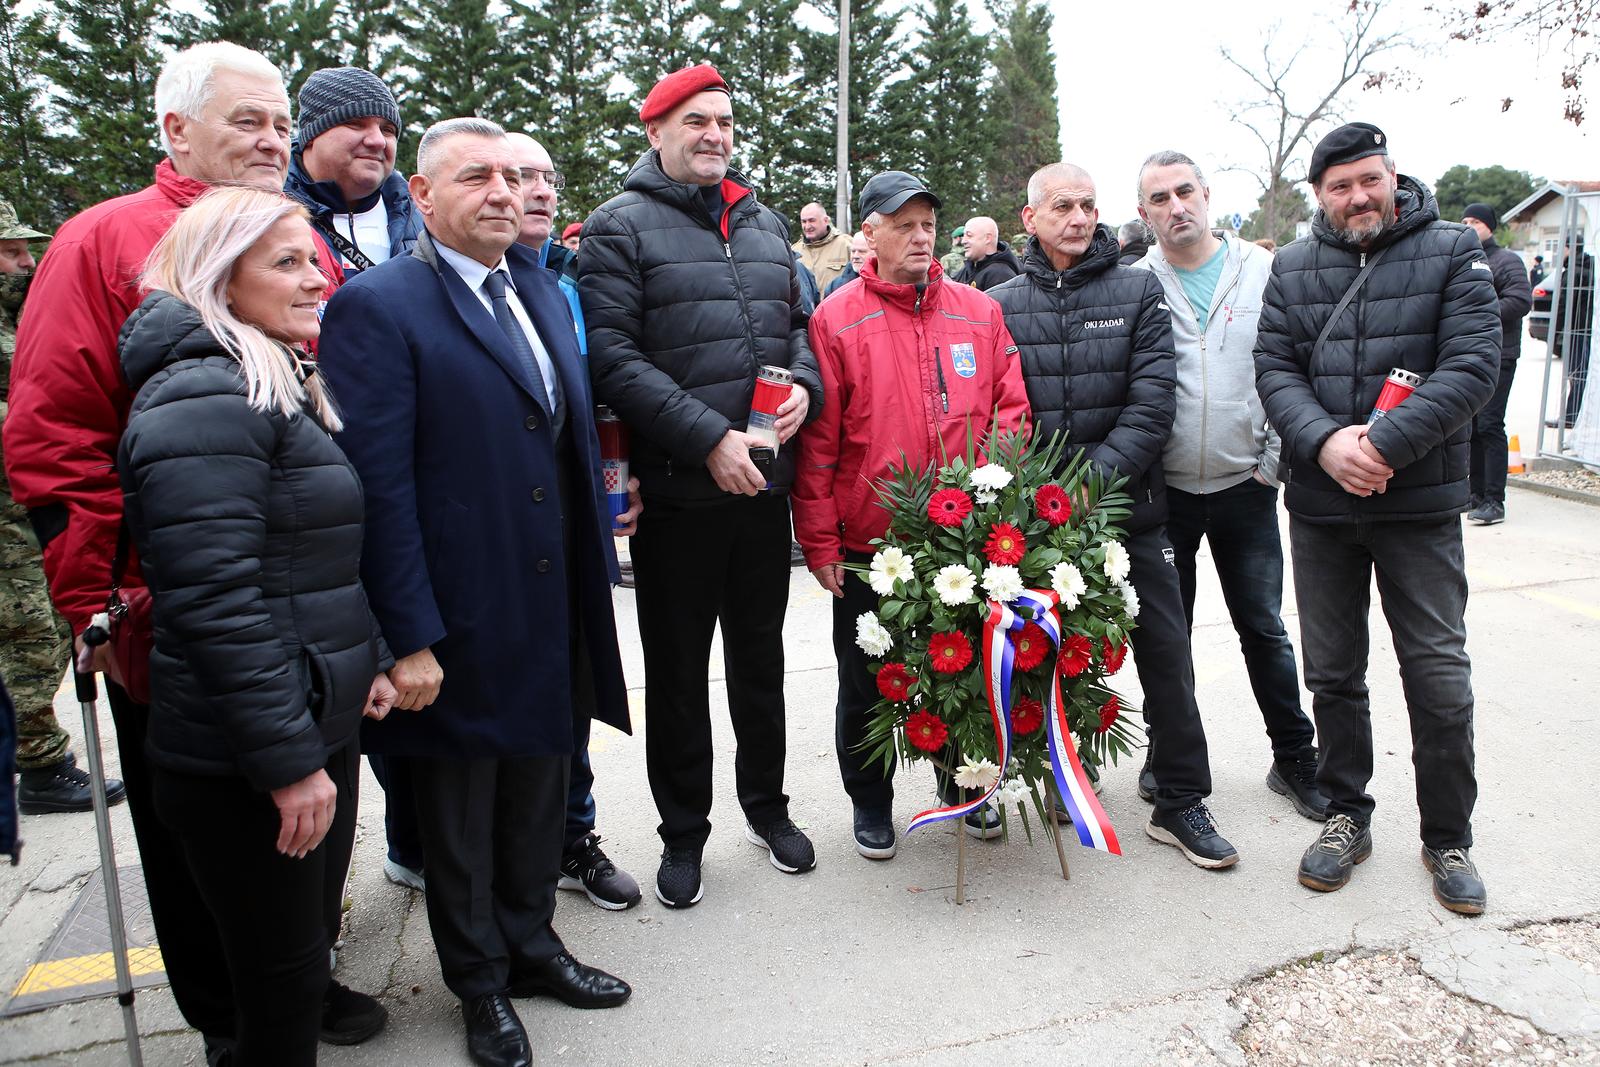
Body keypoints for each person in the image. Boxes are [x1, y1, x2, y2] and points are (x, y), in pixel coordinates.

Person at [2, 42, 355, 1063]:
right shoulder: (104, 240)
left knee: (299, 842)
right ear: (175, 131)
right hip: (176, 609)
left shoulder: (293, 234)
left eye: (281, 121)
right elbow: (55, 435)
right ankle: (224, 1017)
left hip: (296, 601)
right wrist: (102, 604)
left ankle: (297, 978)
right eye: (247, 120)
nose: (272, 139)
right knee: (201, 831)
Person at [319, 117, 634, 1067]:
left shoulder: (540, 286)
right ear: (421, 194)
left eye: (513, 175)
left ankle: (533, 945)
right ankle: (481, 983)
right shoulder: (380, 306)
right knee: (459, 814)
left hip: (548, 600)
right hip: (456, 614)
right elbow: (377, 484)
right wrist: (407, 635)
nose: (503, 192)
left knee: (541, 788)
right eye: (475, 177)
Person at [117, 187, 394, 1065]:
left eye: (314, 257)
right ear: (215, 277)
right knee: (276, 1003)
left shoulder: (267, 372)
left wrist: (372, 659)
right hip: (249, 762)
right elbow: (214, 599)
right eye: (287, 262)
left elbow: (312, 559)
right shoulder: (207, 395)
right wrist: (286, 763)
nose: (318, 278)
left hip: (304, 725)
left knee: (294, 976)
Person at [579, 63, 823, 908]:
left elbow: (798, 325)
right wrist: (707, 437)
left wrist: (803, 387)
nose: (715, 134)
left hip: (762, 493)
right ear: (657, 132)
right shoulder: (618, 227)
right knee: (678, 676)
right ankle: (683, 834)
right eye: (696, 121)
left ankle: (769, 808)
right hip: (681, 497)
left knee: (761, 665)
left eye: (724, 120)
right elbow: (612, 357)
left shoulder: (763, 221)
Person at [1254, 122, 1498, 915]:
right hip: (1323, 506)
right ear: (1319, 194)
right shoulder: (1291, 268)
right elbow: (1275, 366)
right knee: (1331, 673)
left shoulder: (1453, 251)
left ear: (1391, 175)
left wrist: (1382, 445)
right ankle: (1344, 815)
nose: (1358, 197)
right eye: (1339, 186)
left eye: (1369, 180)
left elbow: (1471, 365)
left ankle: (1447, 834)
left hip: (1419, 502)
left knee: (1438, 675)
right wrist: (1326, 444)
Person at [990, 162, 1238, 871]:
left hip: (1131, 511)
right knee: (1041, 653)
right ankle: (1059, 776)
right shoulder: (998, 300)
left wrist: (1086, 488)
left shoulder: (1138, 291)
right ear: (1030, 217)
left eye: (1089, 205)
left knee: (1167, 654)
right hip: (1037, 523)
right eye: (1063, 205)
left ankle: (1181, 795)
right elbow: (1001, 413)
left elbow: (1153, 402)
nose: (1079, 217)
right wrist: (1041, 501)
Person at [796, 171, 1029, 860]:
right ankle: (870, 803)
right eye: (903, 224)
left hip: (961, 541)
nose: (920, 235)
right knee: (867, 681)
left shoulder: (977, 311)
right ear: (869, 233)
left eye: (928, 222)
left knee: (956, 673)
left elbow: (1009, 409)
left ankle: (961, 783)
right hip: (873, 542)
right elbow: (820, 442)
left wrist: (990, 494)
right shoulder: (835, 318)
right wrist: (818, 539)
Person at [1130, 151, 1326, 821]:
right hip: (1167, 494)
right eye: (1159, 197)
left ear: (1207, 195)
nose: (1175, 205)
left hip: (1247, 485)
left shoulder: (1262, 270)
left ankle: (1295, 757)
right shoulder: (1138, 283)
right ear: (1144, 212)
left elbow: (1290, 362)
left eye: (1185, 191)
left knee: (1264, 628)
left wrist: (1273, 458)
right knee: (1164, 635)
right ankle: (1167, 752)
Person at [508, 130, 642, 911]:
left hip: (573, 527)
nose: (536, 190)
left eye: (546, 177)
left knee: (576, 683)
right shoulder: (453, 287)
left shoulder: (563, 284)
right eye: (517, 176)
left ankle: (573, 836)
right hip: (506, 536)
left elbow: (595, 402)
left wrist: (613, 485)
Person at [2, 199, 128, 816]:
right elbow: (46, 421)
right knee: (27, 634)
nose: (25, 261)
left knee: (41, 631)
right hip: (26, 517)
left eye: (26, 249)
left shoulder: (21, 314)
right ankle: (40, 763)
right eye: (9, 251)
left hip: (35, 517)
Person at [283, 66, 420, 275]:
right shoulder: (265, 213)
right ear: (310, 136)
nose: (378, 141)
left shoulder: (424, 219)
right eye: (355, 124)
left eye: (388, 130)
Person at [1460, 202, 1532, 526]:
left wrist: (1480, 312)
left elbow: (1520, 300)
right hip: (1467, 354)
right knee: (1471, 426)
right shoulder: (1464, 257)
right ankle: (1474, 494)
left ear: (1489, 225)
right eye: (1464, 220)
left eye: (1475, 221)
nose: (1469, 225)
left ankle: (1494, 499)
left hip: (1500, 354)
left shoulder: (1507, 260)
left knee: (1490, 424)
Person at [1549, 241, 1594, 429]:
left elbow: (1563, 306)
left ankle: (1570, 417)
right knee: (1582, 375)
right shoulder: (1590, 269)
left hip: (1575, 330)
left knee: (1576, 374)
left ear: (1569, 249)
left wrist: (1556, 333)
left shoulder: (1573, 272)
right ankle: (1577, 415)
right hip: (1589, 329)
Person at [793, 201, 851, 291]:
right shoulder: (795, 251)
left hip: (838, 304)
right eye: (804, 221)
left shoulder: (847, 245)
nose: (807, 226)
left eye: (812, 220)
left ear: (826, 221)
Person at [955, 215, 1020, 290]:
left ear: (988, 238)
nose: (963, 241)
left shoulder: (1000, 276)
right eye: (963, 236)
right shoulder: (966, 270)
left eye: (969, 235)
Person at [823, 230, 869, 299]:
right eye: (853, 251)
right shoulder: (835, 287)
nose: (855, 256)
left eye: (862, 251)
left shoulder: (885, 281)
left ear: (876, 252)